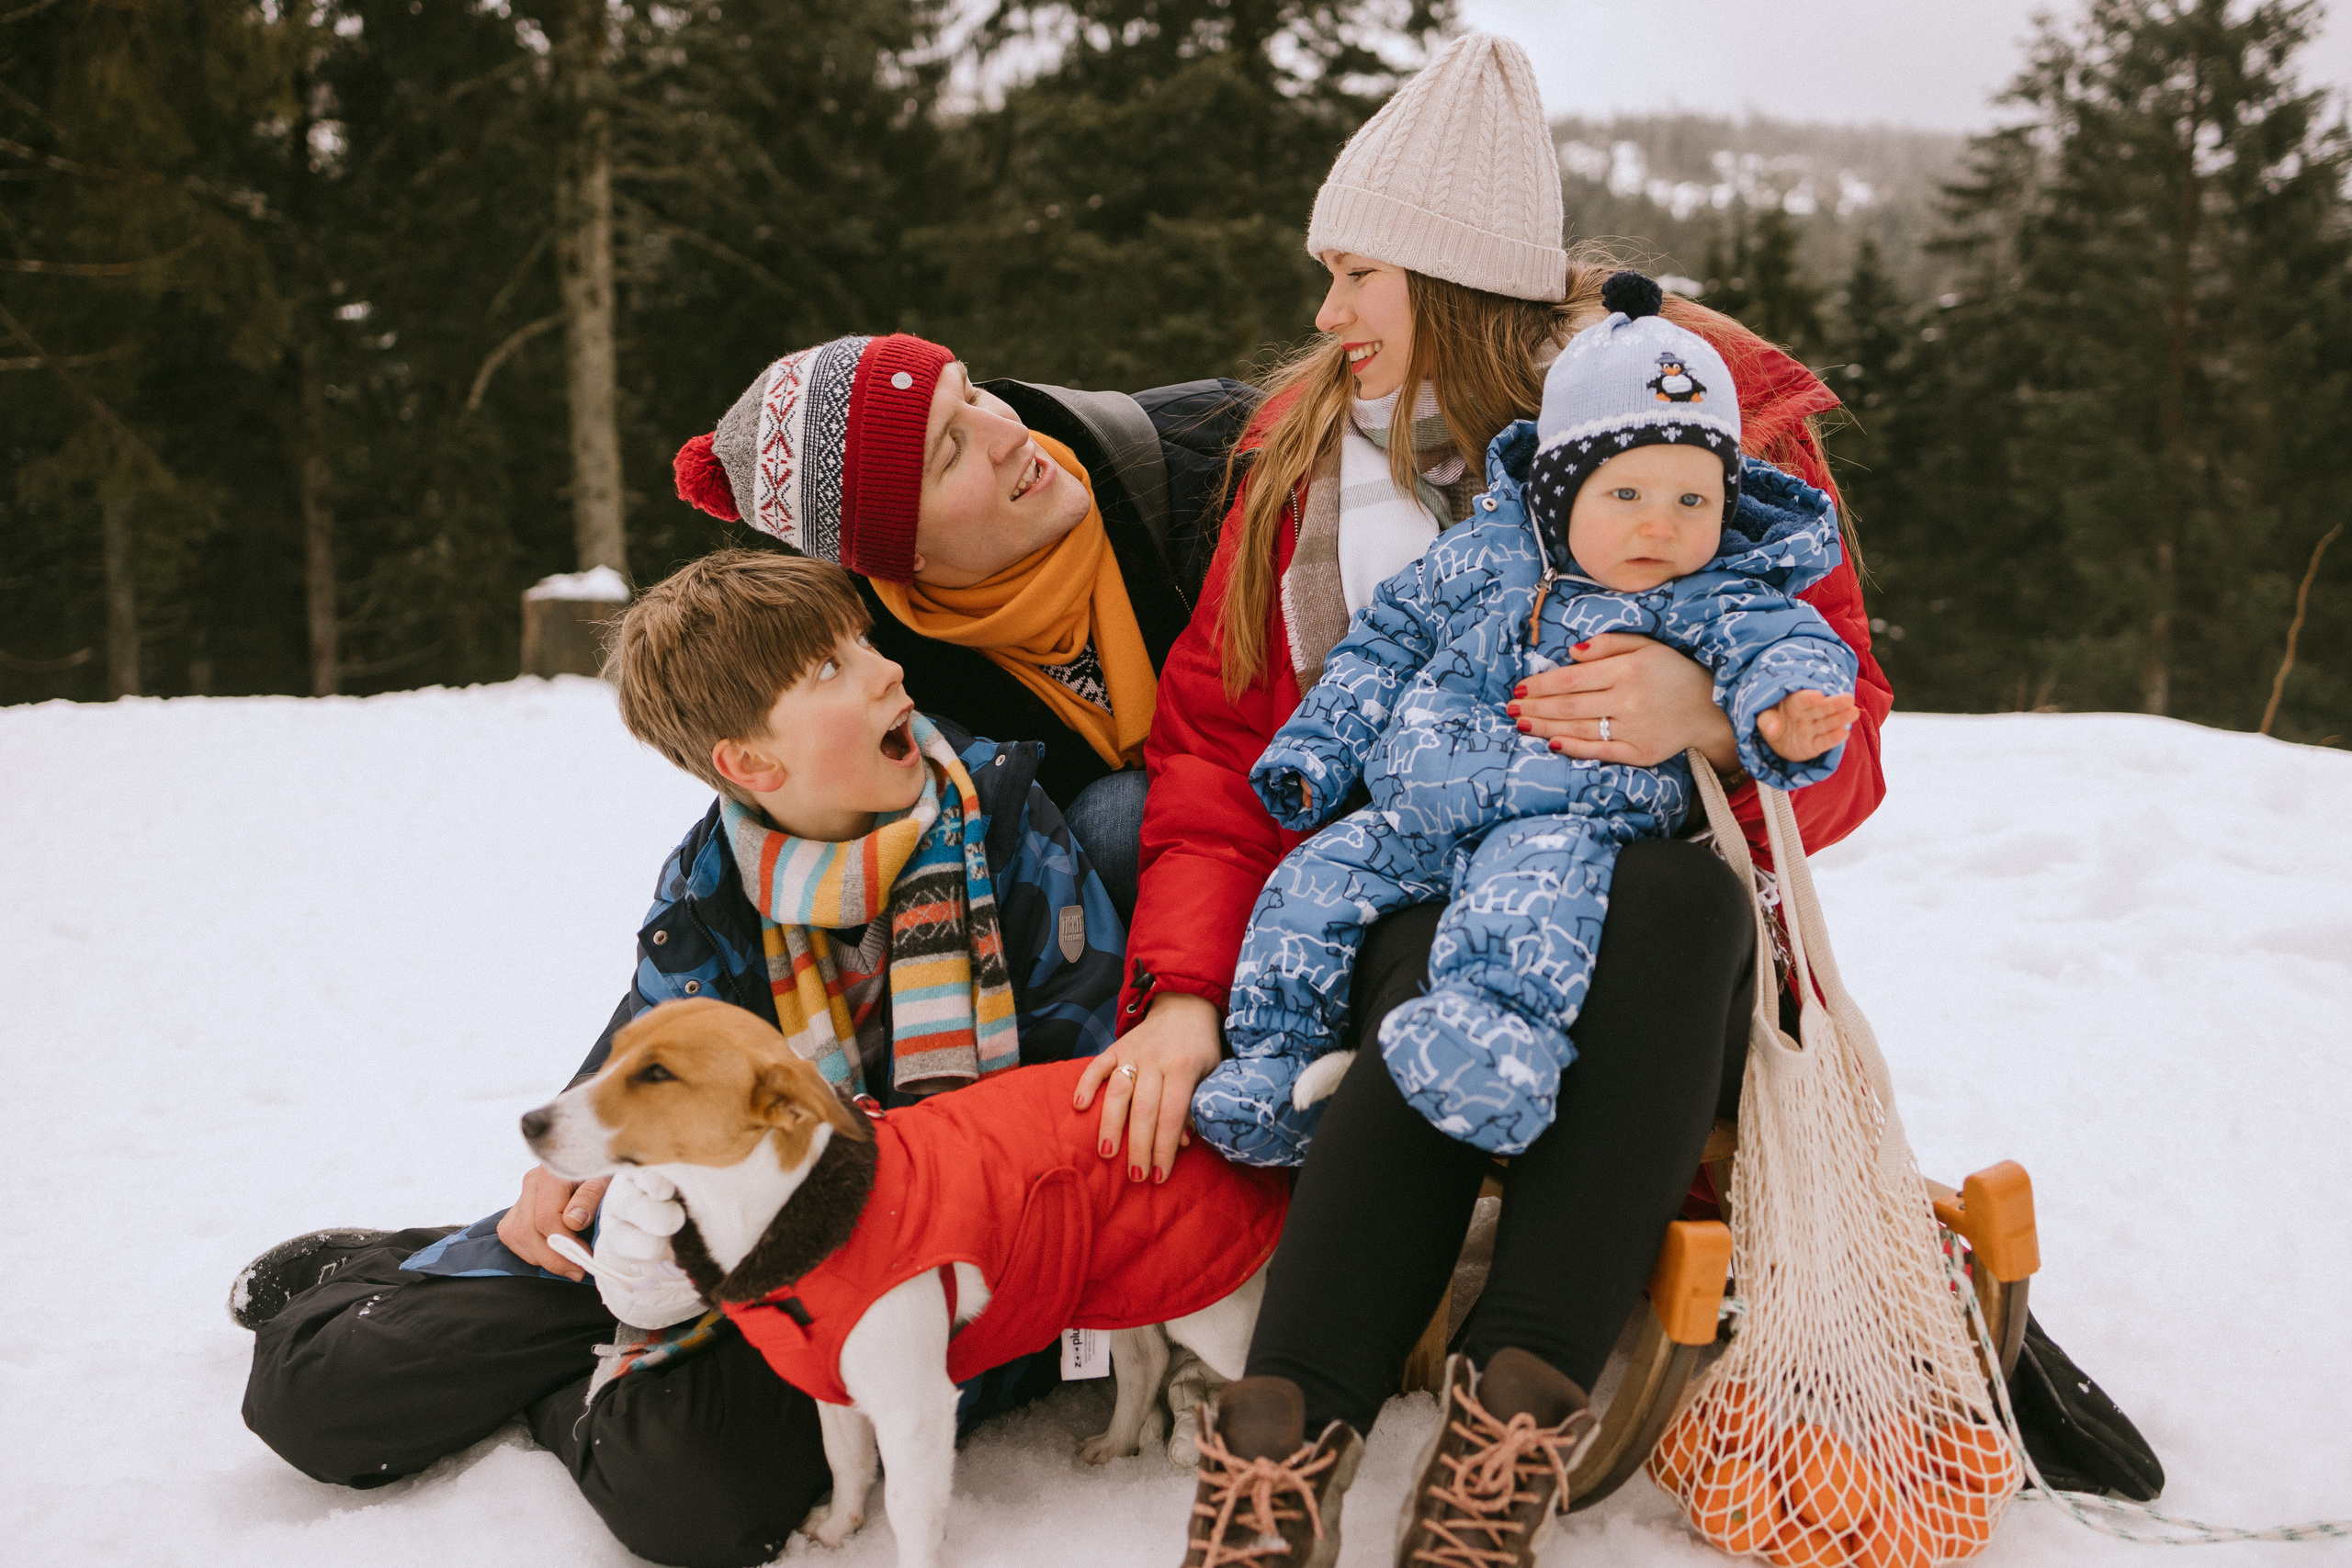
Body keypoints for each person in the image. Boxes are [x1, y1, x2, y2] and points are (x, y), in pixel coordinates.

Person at [1055, 34, 1891, 1568]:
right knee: (1439, 953)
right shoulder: (1301, 464)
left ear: (1447, 276)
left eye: (1358, 272)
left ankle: (1508, 1424)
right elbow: (1223, 749)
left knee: (1677, 898)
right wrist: (1180, 991)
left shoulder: (1687, 423)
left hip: (1671, 942)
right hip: (1406, 906)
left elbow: (1848, 737)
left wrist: (1711, 714)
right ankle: (1283, 1438)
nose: (1324, 313)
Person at [234, 550, 1126, 1568]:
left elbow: (1067, 1105)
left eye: (866, 645)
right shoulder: (712, 887)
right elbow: (648, 1057)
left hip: (919, 1279)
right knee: (315, 1399)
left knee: (692, 1496)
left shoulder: (1003, 832)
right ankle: (396, 1270)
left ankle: (580, 1378)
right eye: (832, 670)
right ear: (750, 765)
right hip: (700, 1240)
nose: (888, 672)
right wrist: (592, 1191)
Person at [1201, 271, 1862, 1166]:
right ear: (1558, 487)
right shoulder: (1479, 554)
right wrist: (1317, 750)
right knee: (1307, 894)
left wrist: (1781, 715)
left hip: (1567, 821)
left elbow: (1782, 644)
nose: (1659, 527)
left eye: (1692, 501)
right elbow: (1383, 647)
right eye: (1625, 496)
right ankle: (1275, 1075)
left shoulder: (1709, 593)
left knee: (1528, 919)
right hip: (1413, 811)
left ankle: (1492, 1055)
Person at [669, 332, 1261, 919]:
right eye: (950, 452)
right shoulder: (887, 680)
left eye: (972, 395)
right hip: (1168, 943)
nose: (1012, 433)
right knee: (1118, 819)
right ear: (904, 554)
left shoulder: (1217, 445)